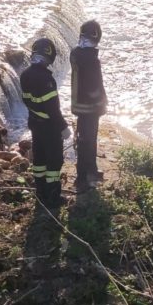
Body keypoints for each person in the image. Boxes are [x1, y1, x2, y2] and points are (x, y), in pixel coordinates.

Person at [21, 37, 71, 208]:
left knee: (39, 160)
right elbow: (53, 110)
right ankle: (53, 198)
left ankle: (40, 193)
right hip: (50, 128)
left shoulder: (25, 75)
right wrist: (64, 127)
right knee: (54, 162)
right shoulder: (47, 80)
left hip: (35, 125)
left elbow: (28, 101)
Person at [70, 20, 107, 192]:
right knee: (87, 142)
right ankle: (84, 178)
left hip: (80, 107)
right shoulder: (91, 59)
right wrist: (102, 103)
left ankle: (88, 171)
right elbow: (96, 87)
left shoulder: (76, 54)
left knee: (85, 140)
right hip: (90, 108)